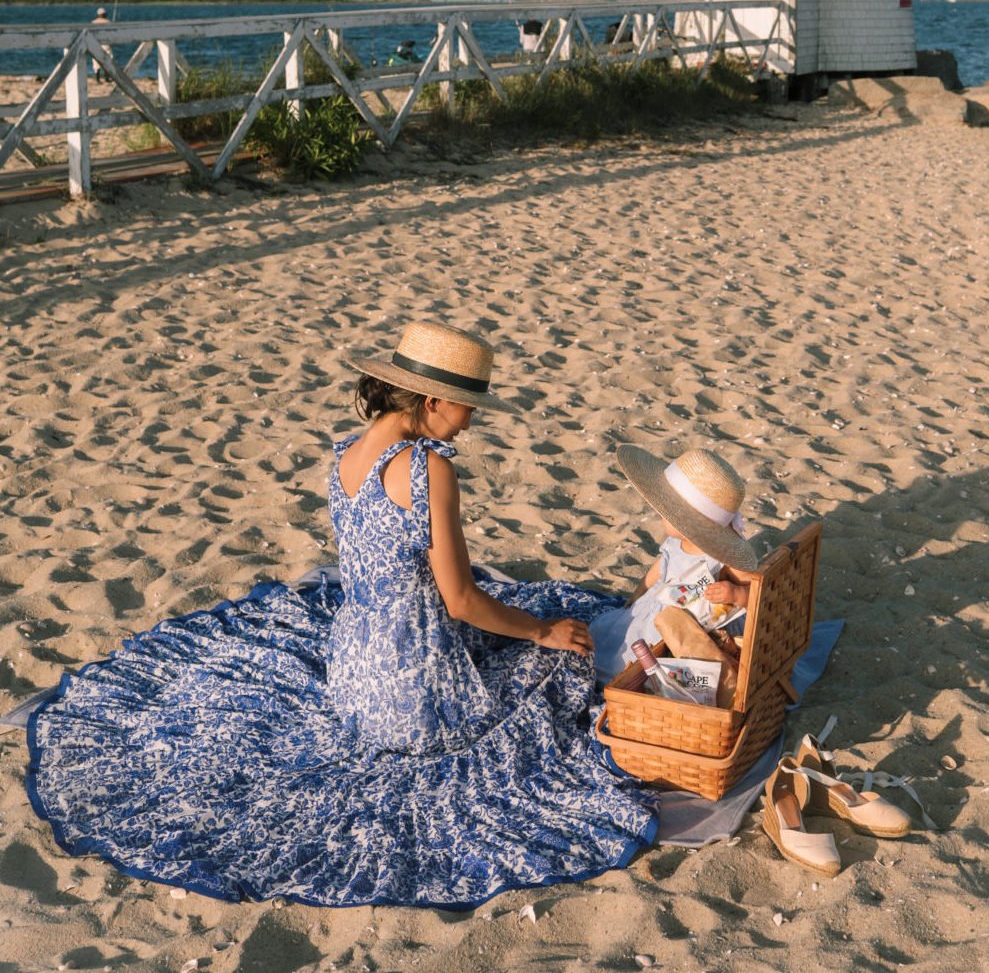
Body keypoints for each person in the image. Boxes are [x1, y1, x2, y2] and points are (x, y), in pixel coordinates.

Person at [23, 320, 656, 909]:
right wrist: (543, 633)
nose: (469, 423)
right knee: (558, 660)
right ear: (433, 401)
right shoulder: (427, 468)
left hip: (353, 669)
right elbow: (460, 598)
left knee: (521, 625)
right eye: (467, 408)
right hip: (415, 690)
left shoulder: (347, 453)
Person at [590, 445, 756, 684]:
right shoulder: (674, 542)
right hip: (657, 609)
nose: (661, 515)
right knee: (614, 636)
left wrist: (737, 593)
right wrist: (639, 591)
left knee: (633, 664)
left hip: (689, 628)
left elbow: (760, 592)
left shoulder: (720, 555)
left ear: (689, 522)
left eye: (667, 512)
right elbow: (660, 567)